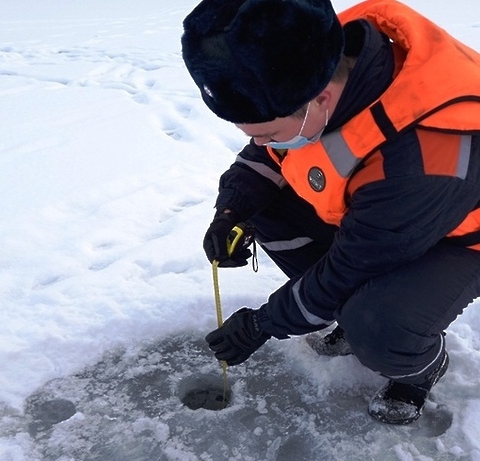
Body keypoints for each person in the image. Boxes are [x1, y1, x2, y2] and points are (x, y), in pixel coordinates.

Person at [181, 0, 480, 425]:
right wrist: (231, 210)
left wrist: (263, 324)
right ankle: (344, 314)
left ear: (319, 100)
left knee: (376, 323)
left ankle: (418, 367)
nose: (261, 141)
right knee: (266, 209)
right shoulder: (311, 61)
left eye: (266, 132)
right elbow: (270, 153)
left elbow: (349, 269)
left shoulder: (422, 158)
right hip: (389, 219)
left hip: (462, 235)